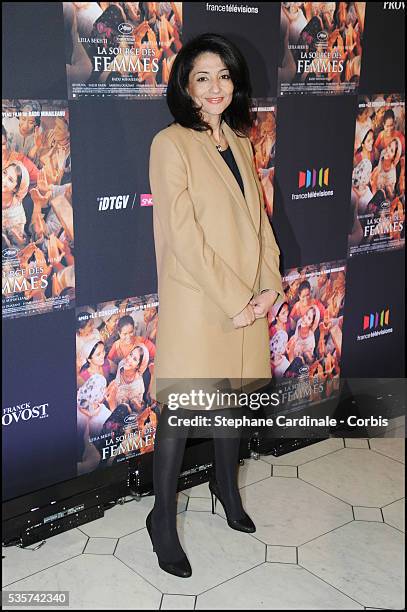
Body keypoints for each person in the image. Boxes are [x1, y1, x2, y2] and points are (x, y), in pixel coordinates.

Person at [148, 33, 284, 578]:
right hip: (201, 302)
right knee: (180, 416)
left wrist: (270, 285)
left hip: (249, 300)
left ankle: (226, 489)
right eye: (202, 77)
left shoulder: (242, 142)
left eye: (224, 76)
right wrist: (238, 303)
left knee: (233, 405)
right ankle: (162, 519)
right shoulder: (170, 144)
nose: (214, 87)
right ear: (185, 84)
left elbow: (259, 225)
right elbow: (182, 235)